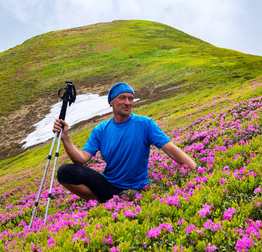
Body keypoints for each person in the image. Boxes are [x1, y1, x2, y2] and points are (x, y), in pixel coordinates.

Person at [53, 82, 197, 203]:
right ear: (111, 101)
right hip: (107, 184)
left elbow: (171, 149)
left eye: (131, 98)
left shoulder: (145, 124)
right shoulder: (100, 130)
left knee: (127, 199)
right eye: (122, 98)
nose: (127, 103)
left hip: (133, 187)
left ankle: (109, 202)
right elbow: (80, 159)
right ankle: (102, 201)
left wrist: (196, 171)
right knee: (64, 171)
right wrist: (65, 137)